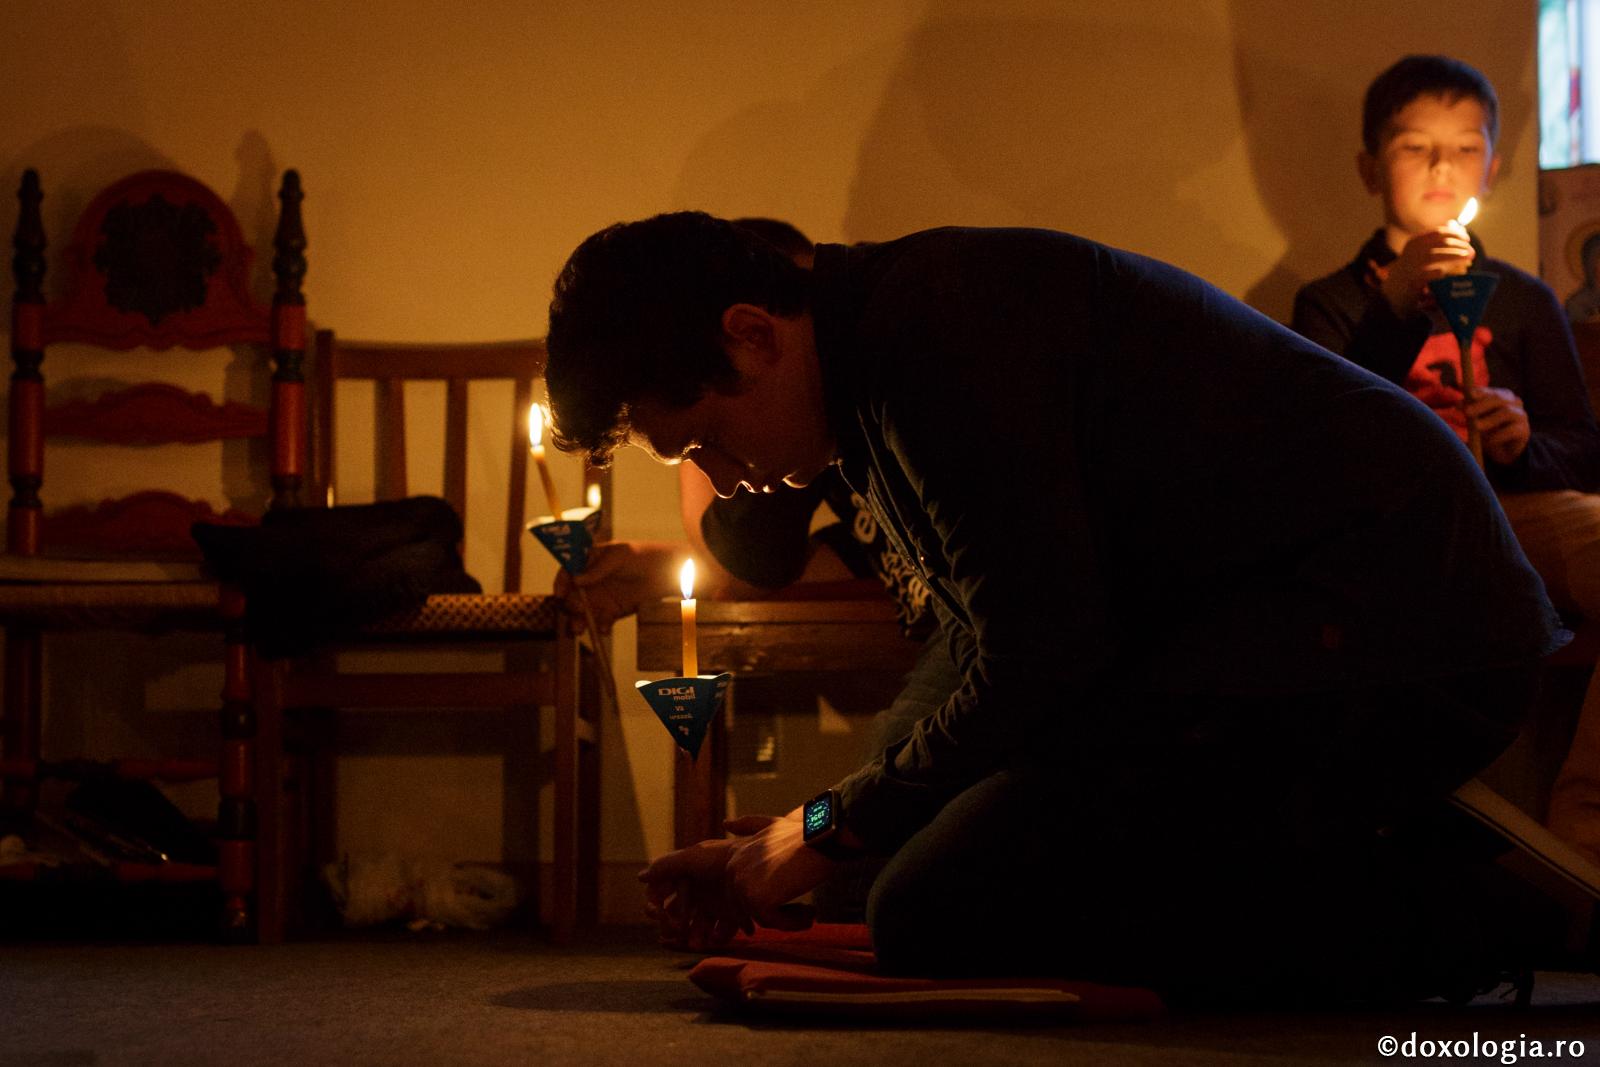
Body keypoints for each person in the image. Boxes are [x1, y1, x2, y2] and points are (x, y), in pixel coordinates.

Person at [545, 211, 1564, 1004]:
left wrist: (819, 830)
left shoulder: (940, 331)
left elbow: (1035, 654)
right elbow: (990, 647)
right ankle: (1304, 841)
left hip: (1393, 632)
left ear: (752, 334)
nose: (724, 481)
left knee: (932, 911)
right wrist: (817, 829)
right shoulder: (865, 367)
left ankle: (1455, 911)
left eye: (705, 442)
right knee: (868, 870)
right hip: (1206, 646)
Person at [1290, 54, 1600, 866]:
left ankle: (1583, 835)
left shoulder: (1524, 300)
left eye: (1465, 148)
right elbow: (1320, 443)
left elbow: (1582, 445)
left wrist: (1524, 446)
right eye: (1414, 147)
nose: (1441, 167)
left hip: (1520, 512)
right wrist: (1393, 307)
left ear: (1491, 168)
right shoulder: (1331, 304)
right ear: (1370, 168)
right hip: (1399, 528)